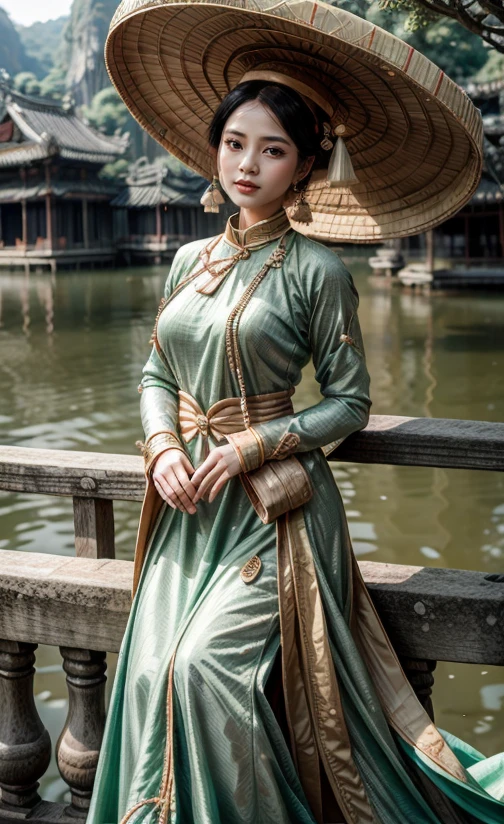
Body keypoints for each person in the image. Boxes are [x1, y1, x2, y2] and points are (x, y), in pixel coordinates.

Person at [88, 1, 504, 822]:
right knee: (147, 666)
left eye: (272, 150)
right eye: (235, 143)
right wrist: (163, 444)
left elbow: (351, 402)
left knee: (204, 667)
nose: (247, 164)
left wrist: (250, 446)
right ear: (216, 148)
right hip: (186, 504)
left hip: (273, 513)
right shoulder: (186, 259)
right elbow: (155, 370)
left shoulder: (316, 269)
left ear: (307, 167)